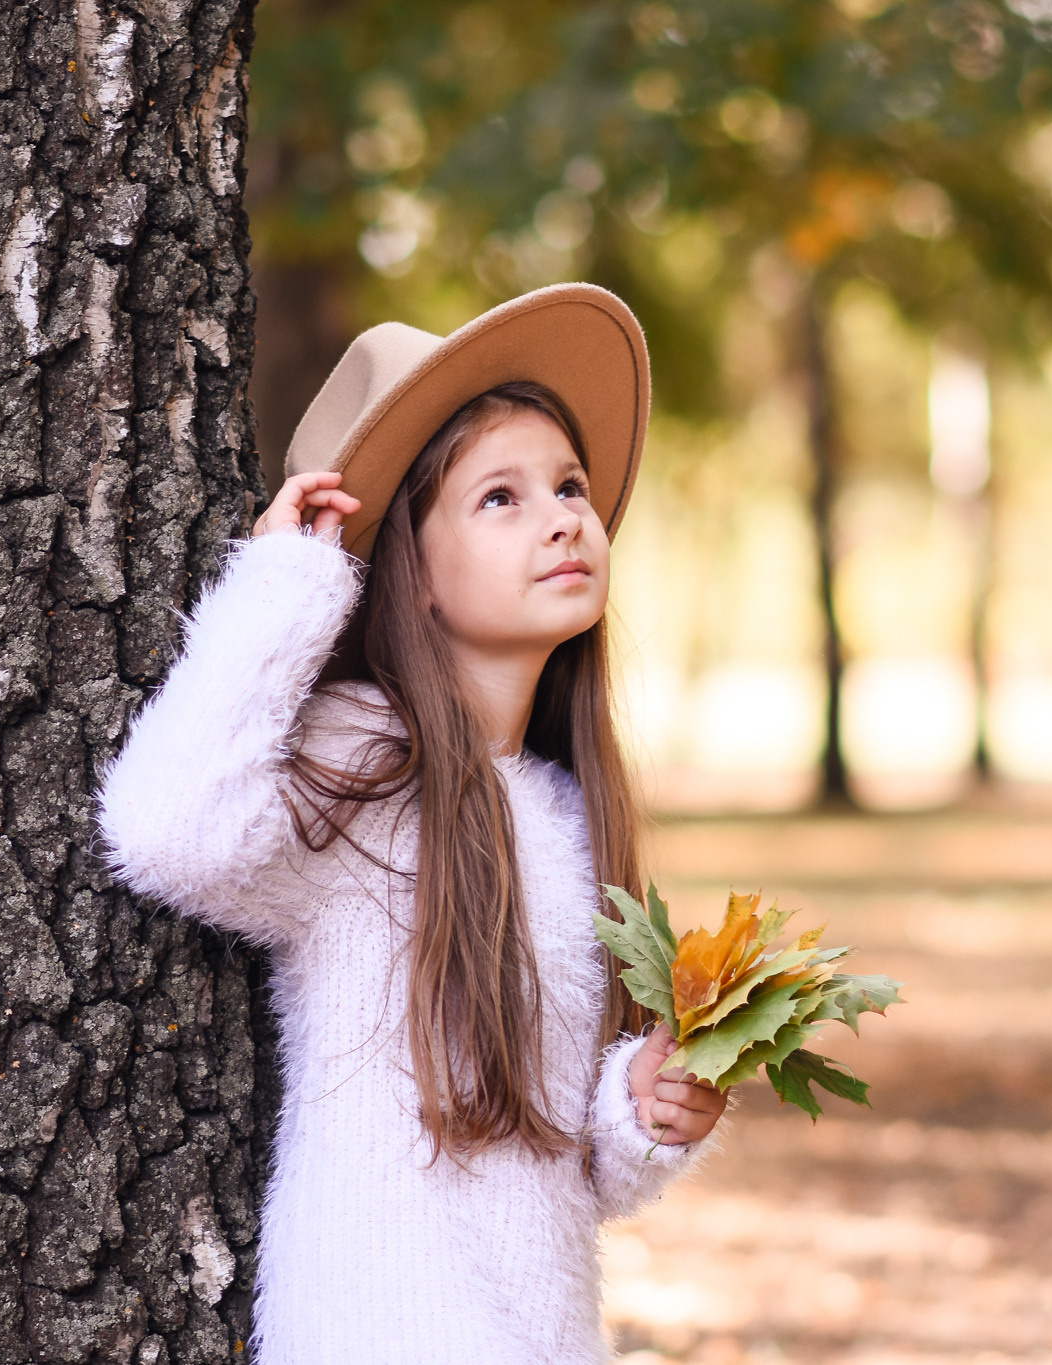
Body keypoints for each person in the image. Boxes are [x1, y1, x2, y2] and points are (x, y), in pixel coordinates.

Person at [95, 284, 726, 1362]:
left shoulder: (569, 813)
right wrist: (286, 585)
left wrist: (644, 1108)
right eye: (501, 499)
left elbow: (567, 1161)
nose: (566, 514)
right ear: (412, 574)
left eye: (568, 485)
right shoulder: (366, 761)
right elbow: (165, 832)